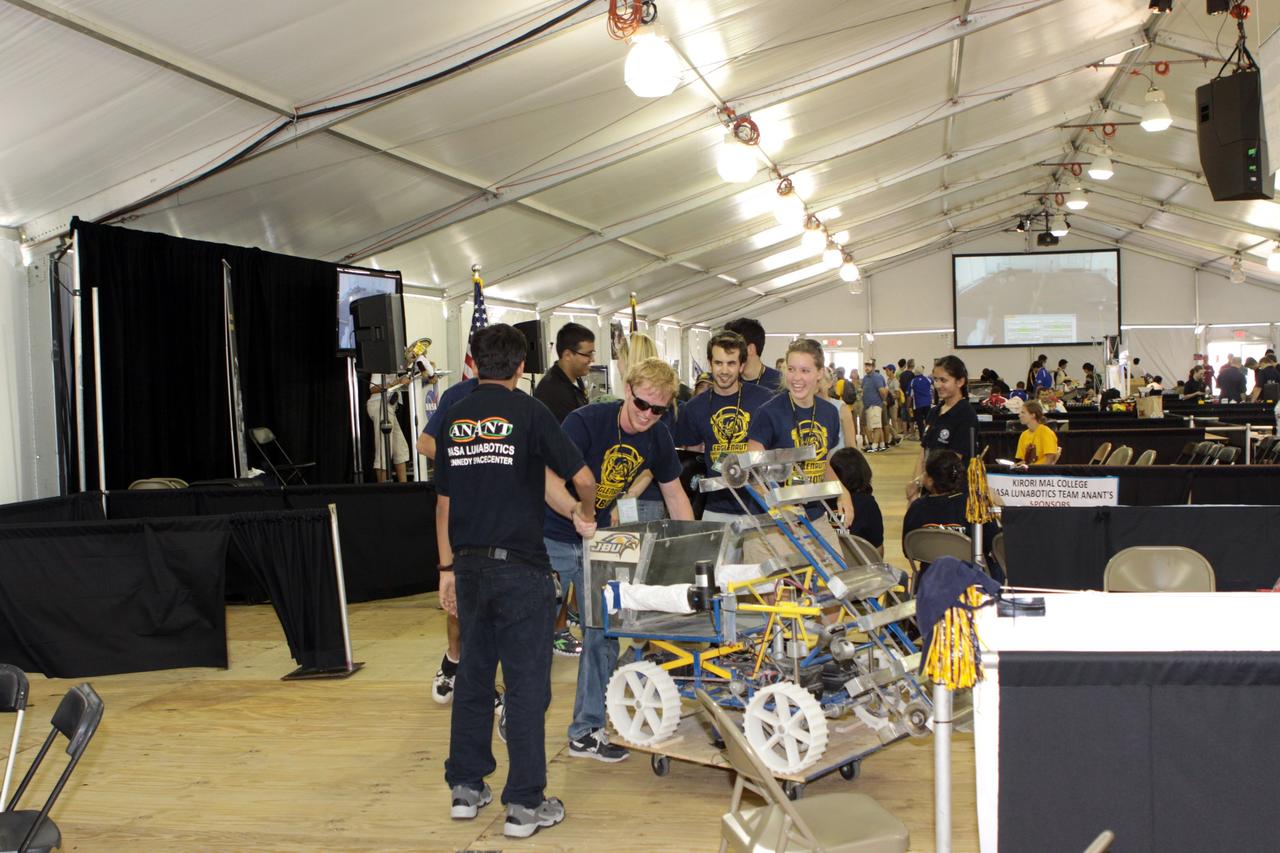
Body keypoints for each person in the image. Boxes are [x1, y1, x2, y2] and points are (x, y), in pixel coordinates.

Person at [434, 323, 598, 839]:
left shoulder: (454, 415)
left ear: (473, 362)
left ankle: (465, 787)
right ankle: (525, 803)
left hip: (468, 567)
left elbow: (444, 503)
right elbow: (583, 477)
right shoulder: (530, 412)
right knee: (527, 686)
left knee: (474, 677)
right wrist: (587, 512)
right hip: (521, 569)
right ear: (522, 366)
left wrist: (445, 570)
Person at [544, 357, 694, 764]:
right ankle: (517, 709)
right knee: (536, 635)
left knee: (603, 632)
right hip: (552, 535)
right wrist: (574, 511)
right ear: (627, 391)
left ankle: (586, 731)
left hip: (600, 542)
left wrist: (692, 548)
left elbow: (675, 494)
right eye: (642, 404)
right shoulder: (585, 422)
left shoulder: (658, 435)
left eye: (657, 410)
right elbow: (546, 477)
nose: (647, 415)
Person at [675, 331, 774, 521]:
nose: (724, 370)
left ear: (741, 365)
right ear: (710, 363)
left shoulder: (764, 399)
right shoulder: (695, 407)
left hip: (759, 505)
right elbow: (691, 458)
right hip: (715, 507)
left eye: (731, 363)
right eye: (719, 363)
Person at [747, 338, 845, 523]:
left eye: (805, 371)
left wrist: (843, 493)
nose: (796, 377)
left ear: (820, 373)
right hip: (774, 521)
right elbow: (753, 474)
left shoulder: (830, 413)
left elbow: (823, 463)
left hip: (814, 514)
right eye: (791, 369)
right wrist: (779, 506)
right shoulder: (768, 413)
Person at [902, 450, 999, 582]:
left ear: (930, 480)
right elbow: (993, 544)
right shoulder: (975, 506)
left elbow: (908, 550)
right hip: (970, 583)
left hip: (931, 581)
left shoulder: (917, 508)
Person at [909, 355, 979, 501]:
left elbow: (953, 461)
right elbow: (923, 452)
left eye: (943, 380)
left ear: (960, 381)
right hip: (928, 489)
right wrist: (915, 485)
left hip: (951, 495)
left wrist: (921, 480)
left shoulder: (966, 415)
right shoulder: (934, 412)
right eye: (935, 380)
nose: (938, 385)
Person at [533, 322, 594, 424]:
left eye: (592, 353)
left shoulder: (574, 379)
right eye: (588, 354)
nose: (592, 359)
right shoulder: (554, 393)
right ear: (567, 355)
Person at [828, 447, 883, 554]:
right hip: (858, 560)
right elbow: (877, 546)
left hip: (825, 559)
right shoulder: (867, 504)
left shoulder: (819, 503)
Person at [367, 372, 413, 482]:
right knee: (383, 449)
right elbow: (373, 388)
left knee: (400, 449)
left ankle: (404, 488)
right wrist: (397, 382)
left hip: (389, 406)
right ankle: (383, 489)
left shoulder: (397, 366)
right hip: (380, 404)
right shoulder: (380, 366)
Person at [724, 317, 783, 392]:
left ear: (750, 349)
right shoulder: (726, 382)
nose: (726, 353)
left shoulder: (780, 384)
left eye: (731, 347)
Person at [1015, 401, 1059, 466]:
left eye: (1023, 412)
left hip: (1042, 471)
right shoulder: (1023, 435)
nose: (1019, 415)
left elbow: (1050, 459)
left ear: (1033, 415)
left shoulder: (1046, 432)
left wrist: (1038, 470)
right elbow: (1024, 461)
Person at [860, 359, 888, 452]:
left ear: (873, 367)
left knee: (876, 426)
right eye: (866, 365)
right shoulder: (865, 378)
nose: (867, 367)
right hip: (868, 406)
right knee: (876, 426)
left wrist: (882, 401)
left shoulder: (877, 377)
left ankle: (874, 446)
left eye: (869, 365)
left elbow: (882, 392)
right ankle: (882, 444)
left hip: (875, 405)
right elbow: (863, 390)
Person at [909, 365, 933, 441]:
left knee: (920, 422)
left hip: (918, 404)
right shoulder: (928, 379)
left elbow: (910, 395)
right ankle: (929, 435)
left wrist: (908, 405)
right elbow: (933, 388)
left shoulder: (913, 381)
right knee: (928, 421)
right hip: (927, 403)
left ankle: (922, 436)